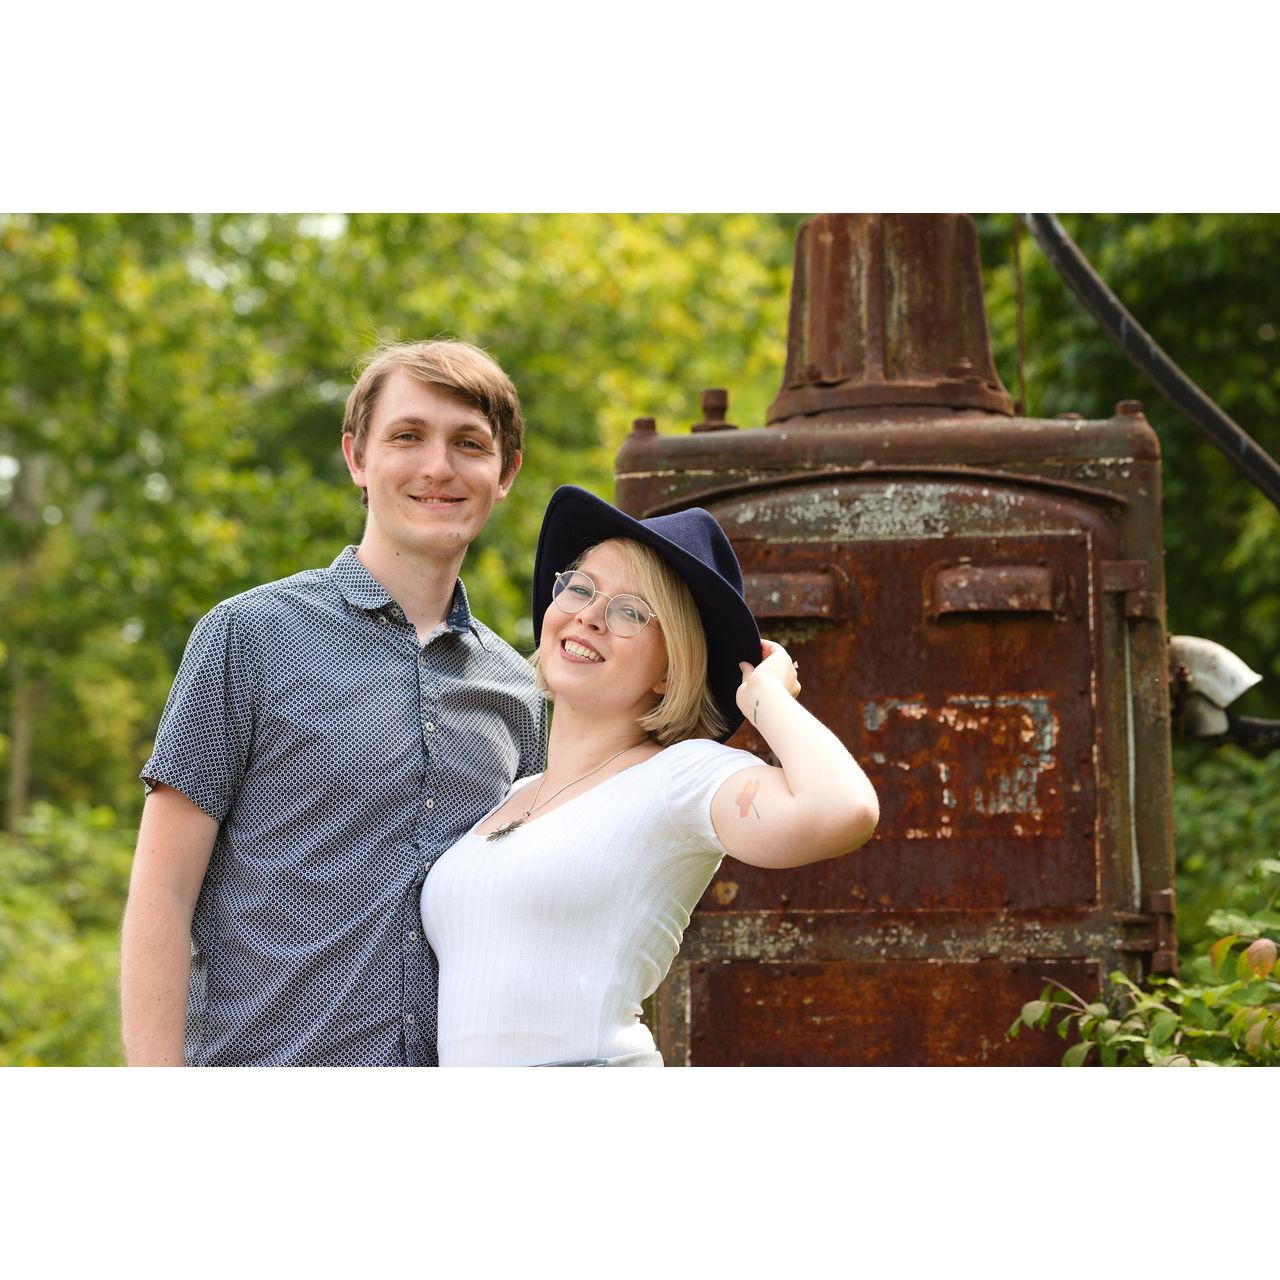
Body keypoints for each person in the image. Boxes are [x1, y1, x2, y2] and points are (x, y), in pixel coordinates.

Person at [120, 340, 545, 1066]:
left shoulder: (521, 692)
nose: (438, 467)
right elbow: (162, 892)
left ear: (504, 474)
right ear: (357, 457)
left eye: (468, 444)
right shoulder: (248, 636)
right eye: (407, 436)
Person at [420, 485, 879, 1066]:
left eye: (630, 611)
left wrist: (765, 699)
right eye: (581, 588)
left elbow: (843, 810)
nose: (588, 615)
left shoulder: (682, 776)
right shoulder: (514, 795)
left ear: (671, 668)